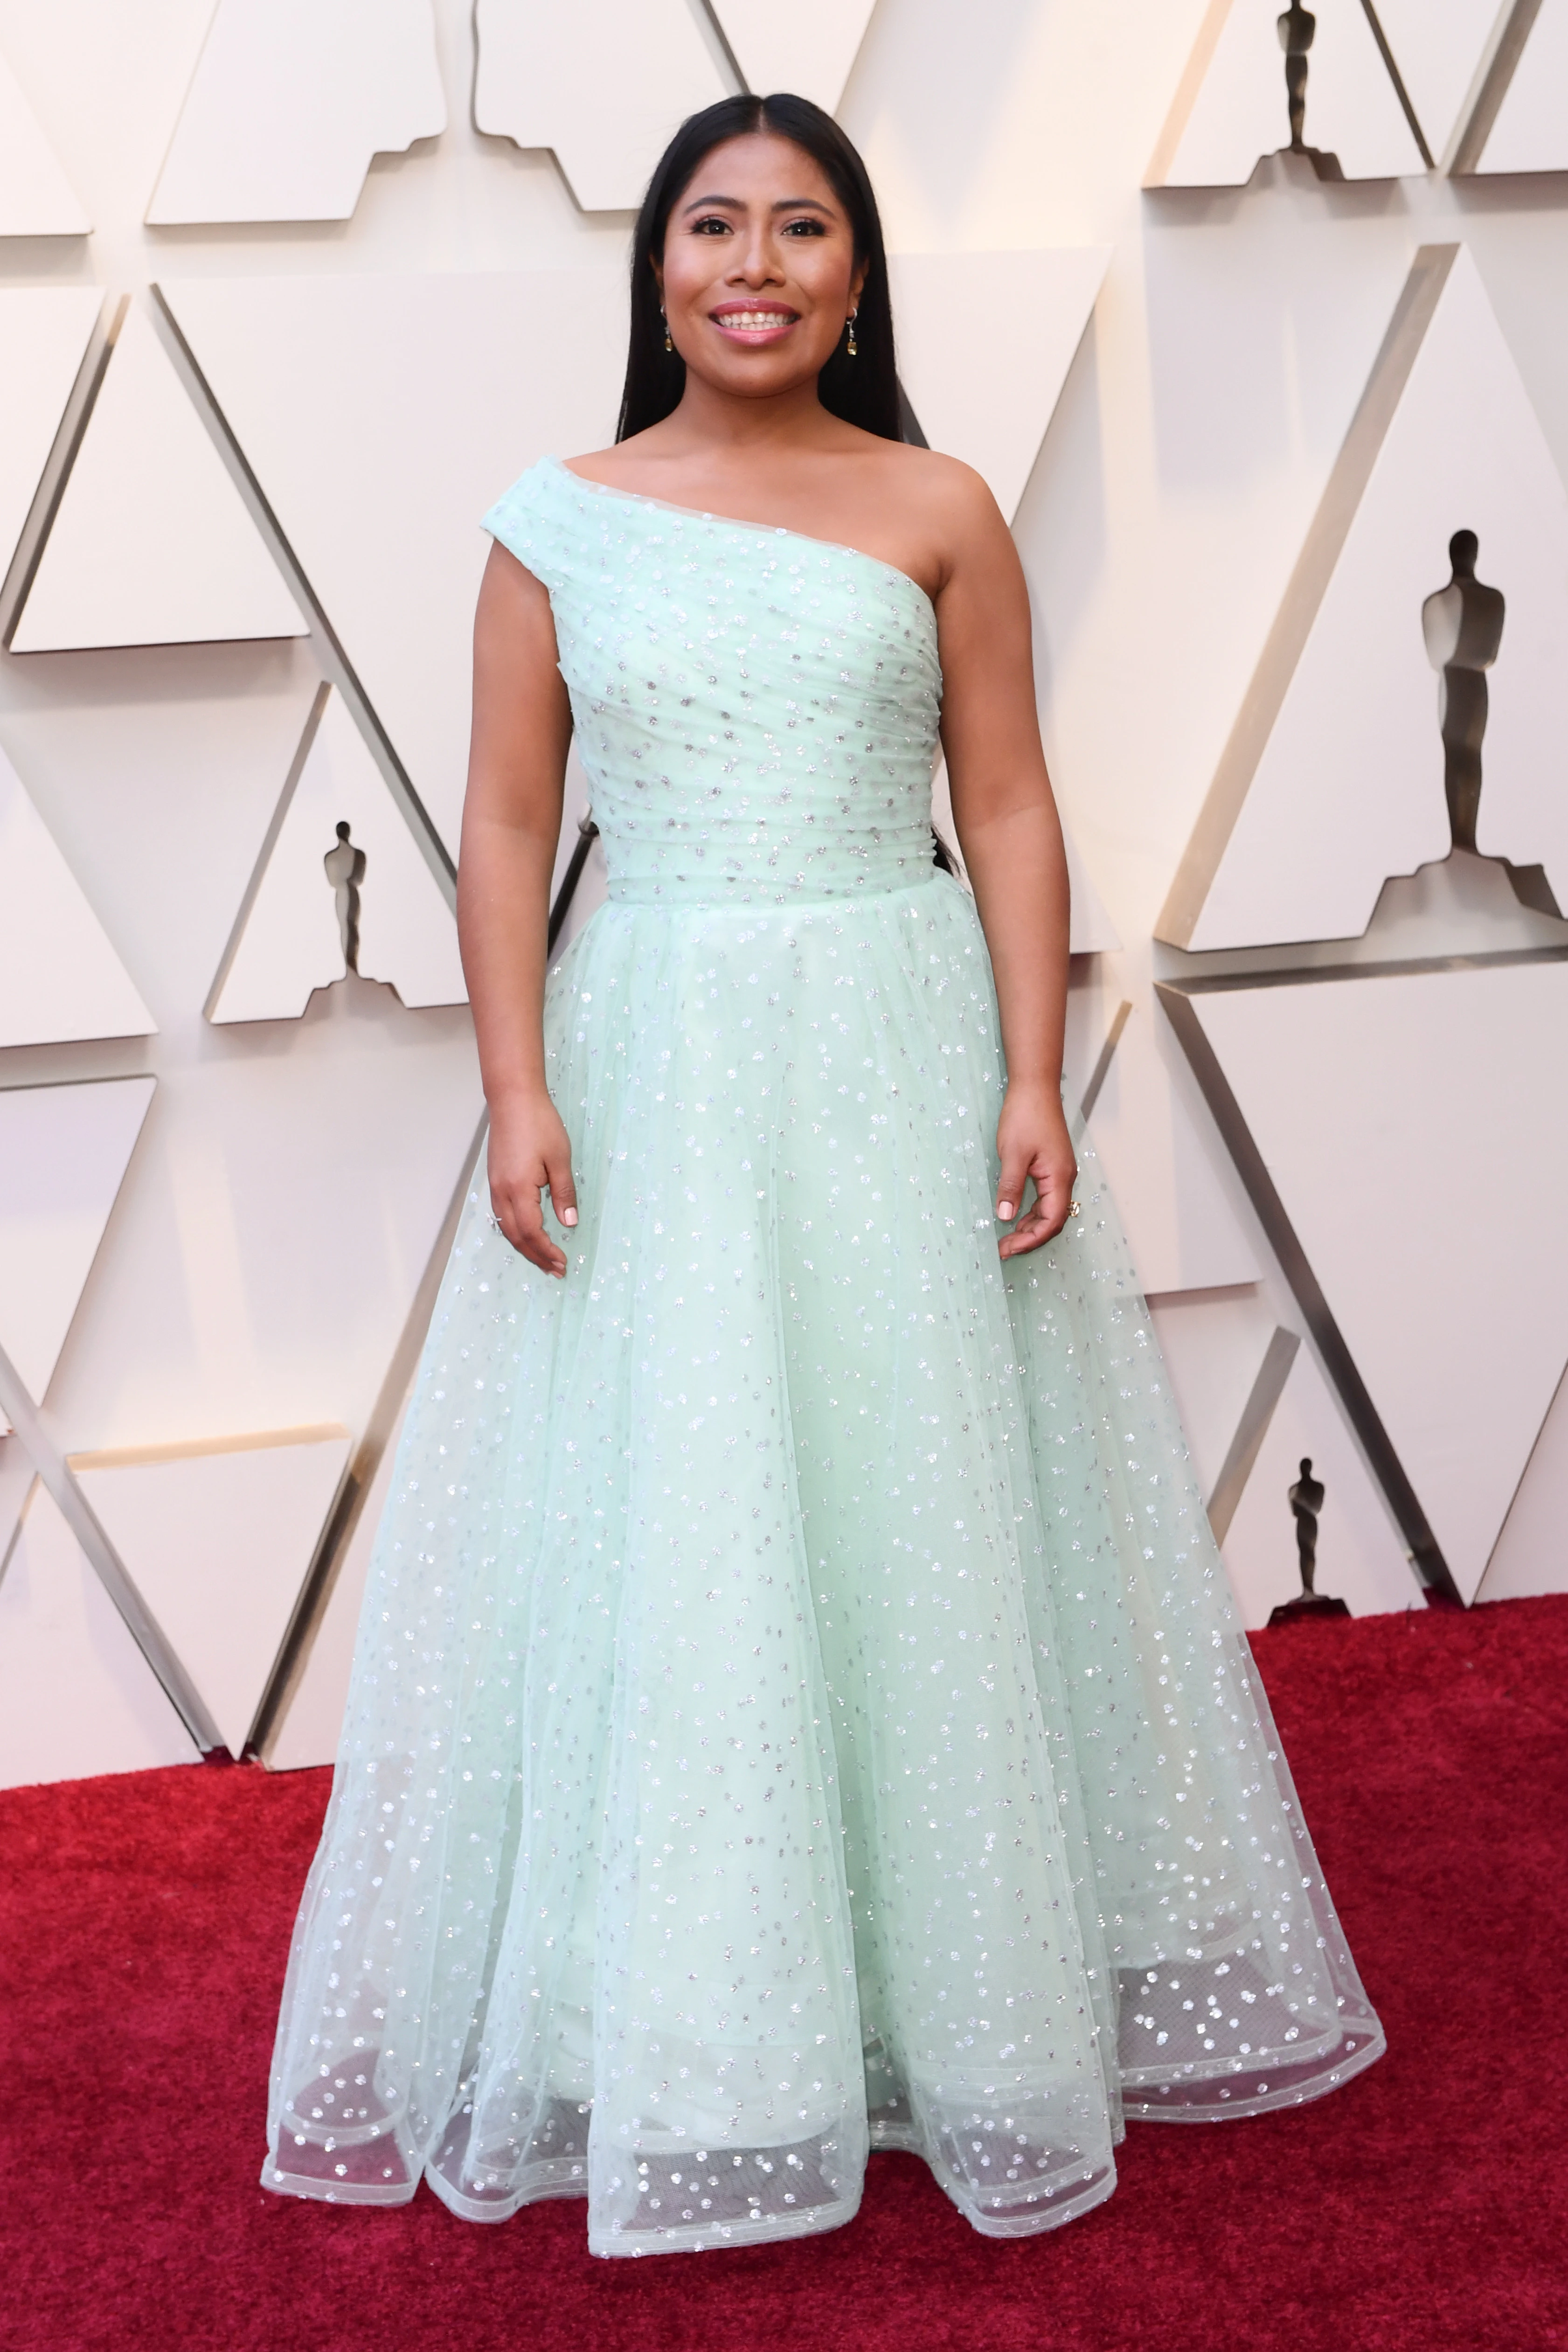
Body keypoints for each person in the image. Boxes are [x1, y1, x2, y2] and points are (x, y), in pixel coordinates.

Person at [264, 92, 1383, 2256]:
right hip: (662, 1058)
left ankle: (954, 1988)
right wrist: (514, 1087)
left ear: (859, 275)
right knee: (687, 1513)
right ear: (657, 267)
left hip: (894, 1044)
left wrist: (1035, 1071)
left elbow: (1013, 802)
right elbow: (507, 824)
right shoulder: (555, 525)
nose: (754, 265)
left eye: (800, 227)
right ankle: (688, 2009)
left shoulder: (940, 506)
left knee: (914, 1506)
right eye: (713, 225)